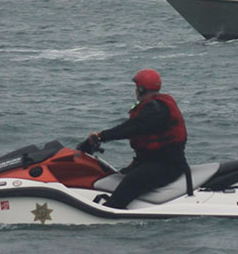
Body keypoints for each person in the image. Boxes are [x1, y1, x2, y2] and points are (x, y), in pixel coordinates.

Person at [81, 69, 190, 209]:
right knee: (119, 176)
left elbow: (131, 127)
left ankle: (110, 211)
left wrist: (101, 136)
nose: (135, 91)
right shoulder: (154, 105)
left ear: (141, 88)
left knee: (132, 181)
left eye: (136, 87)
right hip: (151, 161)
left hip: (168, 165)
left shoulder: (155, 109)